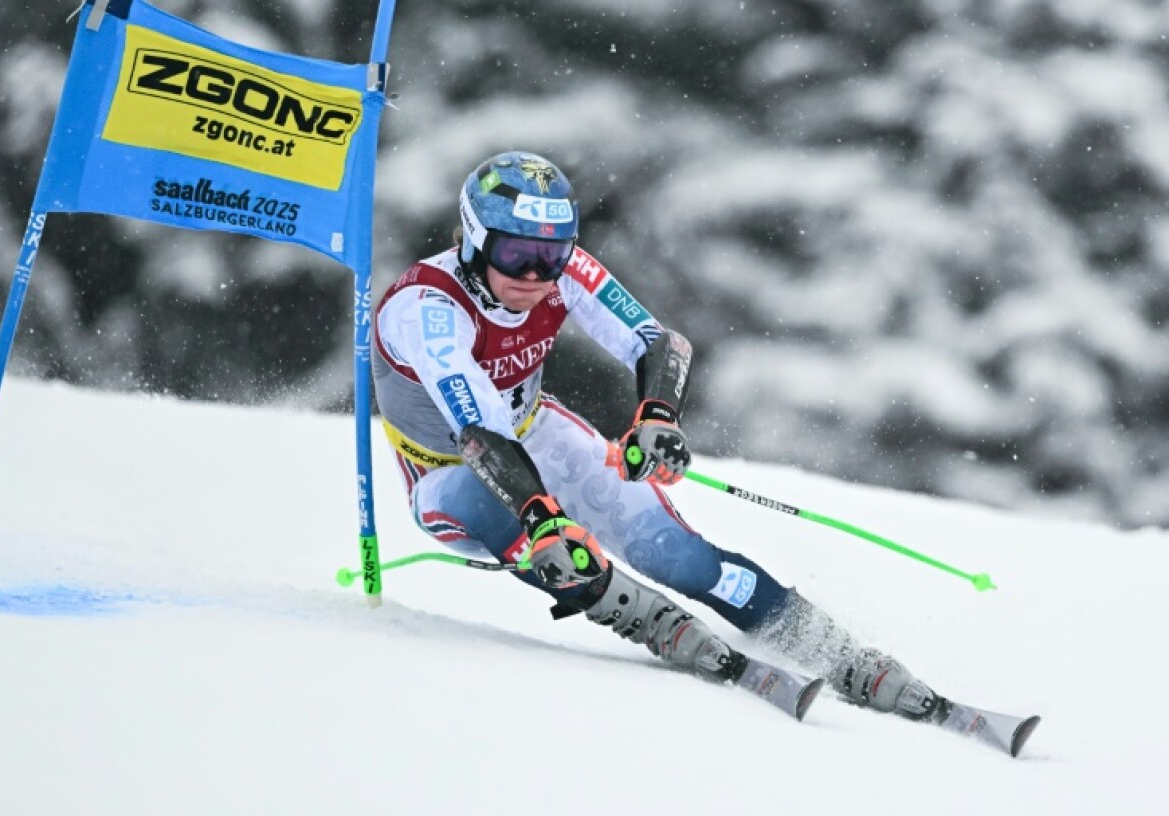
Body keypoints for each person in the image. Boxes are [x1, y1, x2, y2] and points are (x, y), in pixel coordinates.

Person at [372, 150, 943, 720]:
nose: (532, 275)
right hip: (448, 472)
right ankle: (642, 616)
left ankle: (842, 656)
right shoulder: (429, 308)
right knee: (542, 537)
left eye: (549, 257)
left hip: (535, 432)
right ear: (474, 241)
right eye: (515, 253)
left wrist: (657, 417)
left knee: (684, 558)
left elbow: (659, 342)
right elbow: (478, 435)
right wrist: (543, 514)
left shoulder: (566, 275)